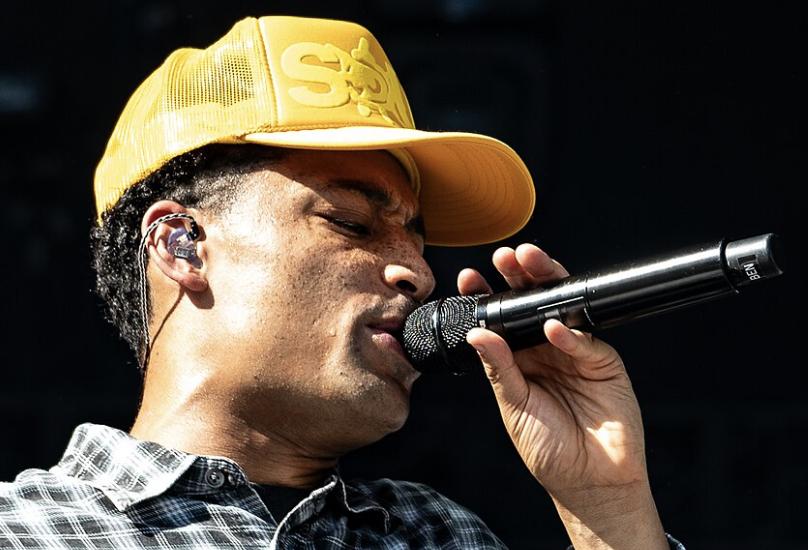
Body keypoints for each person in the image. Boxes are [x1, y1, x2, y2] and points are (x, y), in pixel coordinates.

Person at [0, 15, 684, 549]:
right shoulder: (27, 533)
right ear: (182, 244)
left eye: (418, 241)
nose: (419, 273)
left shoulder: (437, 535)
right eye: (352, 223)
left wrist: (608, 509)